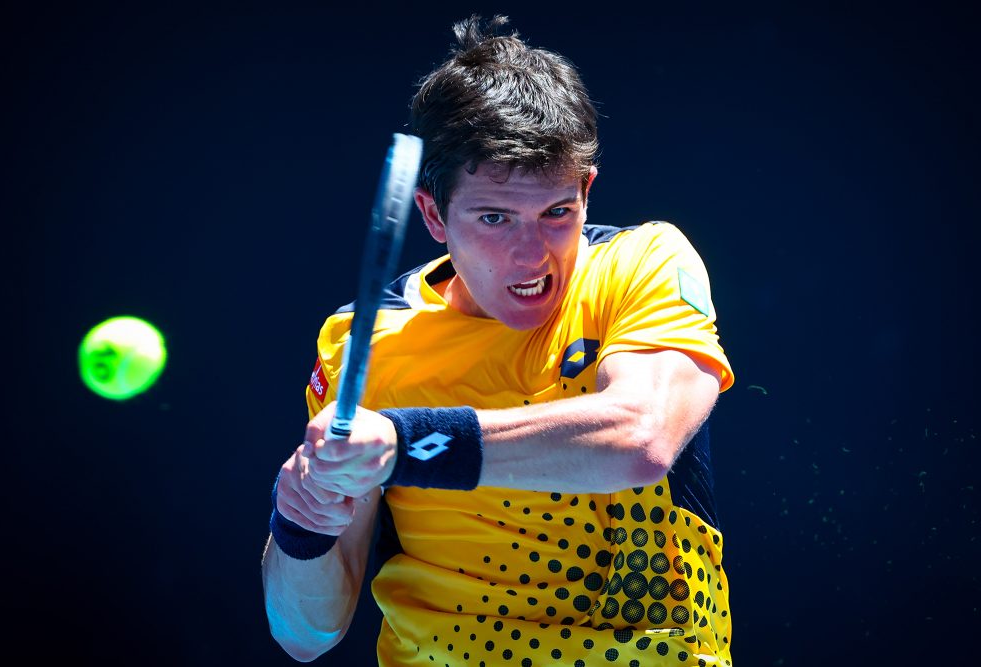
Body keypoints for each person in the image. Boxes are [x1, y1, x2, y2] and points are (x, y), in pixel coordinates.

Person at [261, 14, 735, 667]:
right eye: (494, 217)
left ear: (586, 191)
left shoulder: (644, 262)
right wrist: (301, 522)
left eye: (556, 212)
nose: (531, 254)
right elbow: (305, 633)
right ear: (433, 213)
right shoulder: (363, 342)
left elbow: (641, 439)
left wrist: (406, 444)